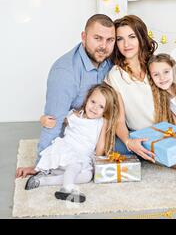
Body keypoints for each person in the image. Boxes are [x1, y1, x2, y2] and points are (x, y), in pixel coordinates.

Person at [104, 15, 176, 173]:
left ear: (141, 37)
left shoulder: (155, 65)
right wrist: (128, 141)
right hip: (146, 136)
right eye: (120, 39)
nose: (126, 44)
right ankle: (158, 155)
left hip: (171, 128)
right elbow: (118, 120)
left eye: (132, 37)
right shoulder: (115, 75)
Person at [16, 14, 116, 179]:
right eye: (97, 38)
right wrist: (42, 163)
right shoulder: (65, 73)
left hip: (100, 133)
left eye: (109, 40)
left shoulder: (110, 62)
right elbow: (53, 121)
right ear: (84, 37)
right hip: (74, 140)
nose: (103, 46)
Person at [24, 83, 120, 203]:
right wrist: (43, 119)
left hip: (81, 158)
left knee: (87, 176)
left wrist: (97, 159)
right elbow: (56, 120)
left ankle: (42, 181)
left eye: (101, 106)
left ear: (105, 110)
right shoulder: (74, 115)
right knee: (75, 165)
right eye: (93, 102)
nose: (95, 108)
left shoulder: (101, 122)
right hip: (65, 153)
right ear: (87, 99)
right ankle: (67, 188)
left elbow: (100, 144)